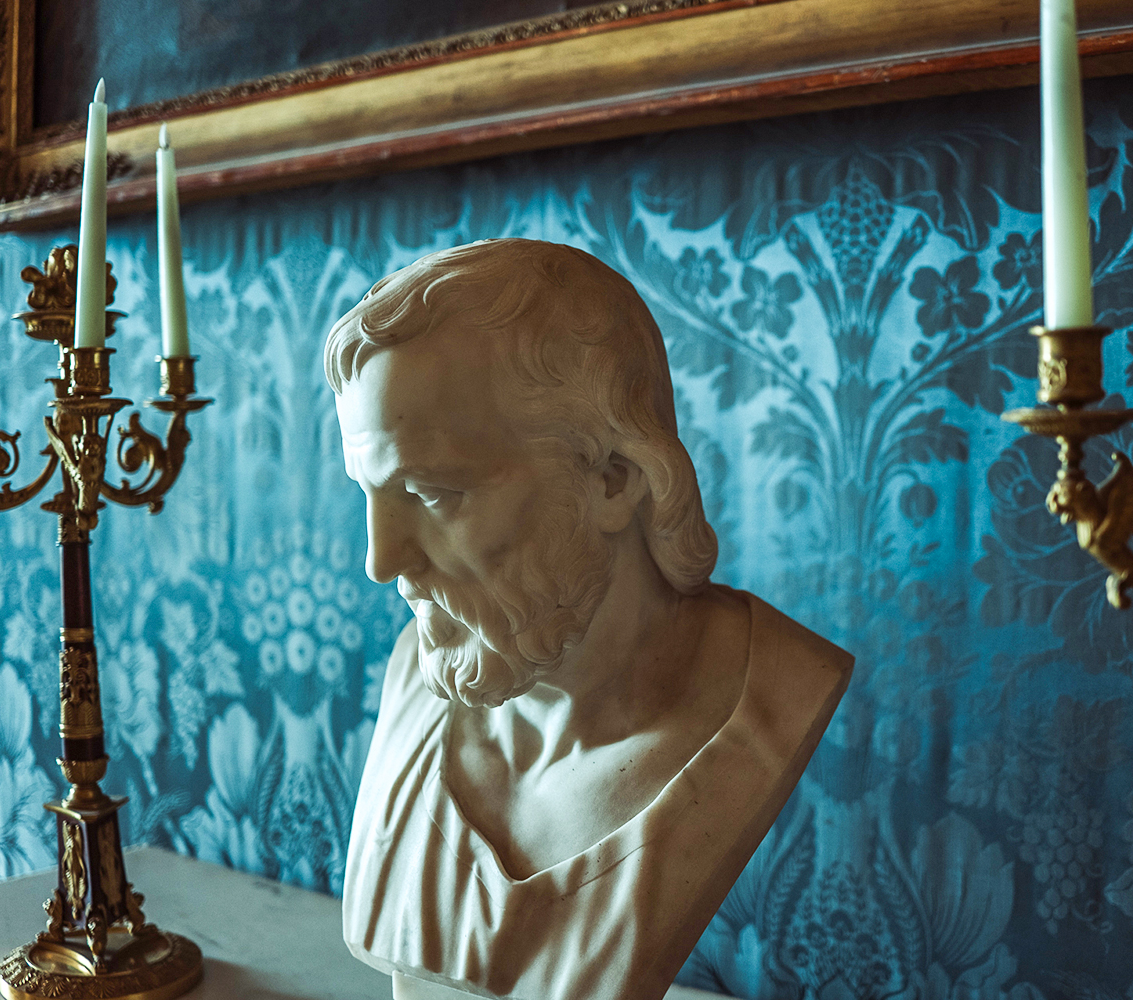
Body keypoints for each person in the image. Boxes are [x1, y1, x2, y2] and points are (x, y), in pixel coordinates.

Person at [326, 239, 852, 1000]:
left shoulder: (775, 696)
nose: (381, 560)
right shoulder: (418, 675)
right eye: (368, 493)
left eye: (433, 494)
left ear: (614, 480)